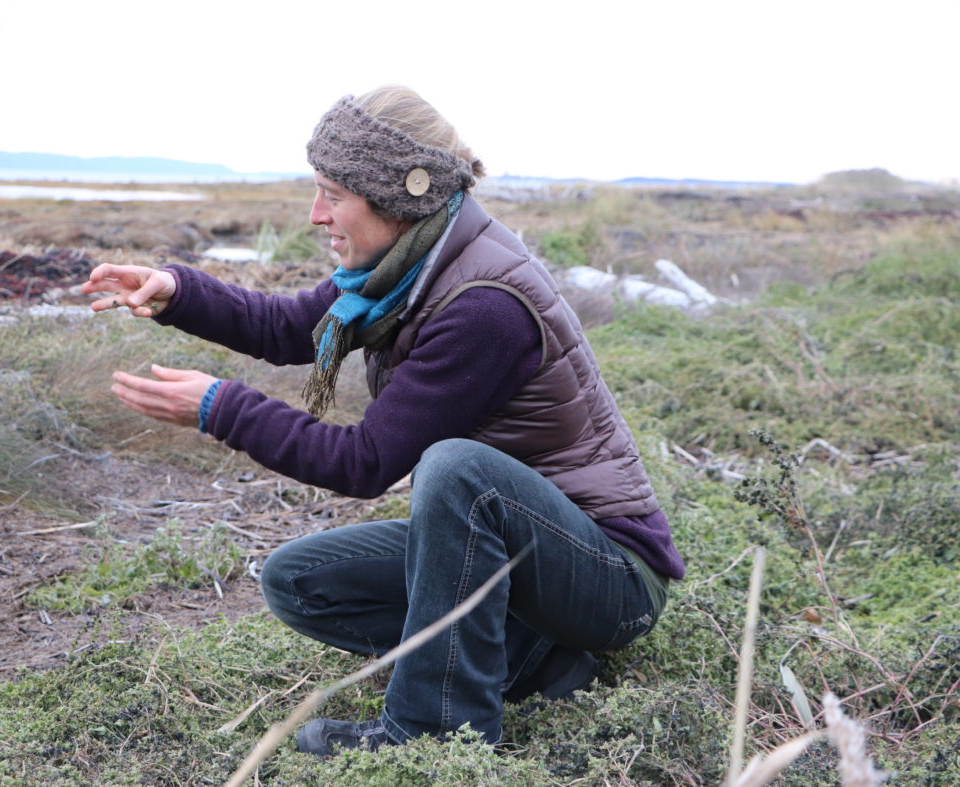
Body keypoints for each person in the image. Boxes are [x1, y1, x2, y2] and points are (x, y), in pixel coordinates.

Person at [80, 86, 685, 756]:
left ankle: (432, 733)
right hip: (527, 560)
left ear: (399, 194)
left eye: (333, 193)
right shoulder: (408, 266)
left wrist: (219, 407)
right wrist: (178, 292)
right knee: (299, 582)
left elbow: (363, 462)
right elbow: (288, 329)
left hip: (610, 578)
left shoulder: (482, 305)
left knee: (458, 471)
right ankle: (541, 662)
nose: (316, 215)